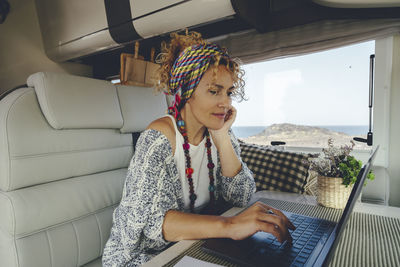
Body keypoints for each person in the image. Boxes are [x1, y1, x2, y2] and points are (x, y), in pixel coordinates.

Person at [102, 31, 294, 266]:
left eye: (229, 92)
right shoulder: (158, 139)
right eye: (214, 91)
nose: (225, 102)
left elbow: (241, 196)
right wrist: (230, 226)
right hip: (142, 257)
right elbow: (154, 225)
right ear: (185, 92)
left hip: (193, 246)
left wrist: (222, 137)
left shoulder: (218, 131)